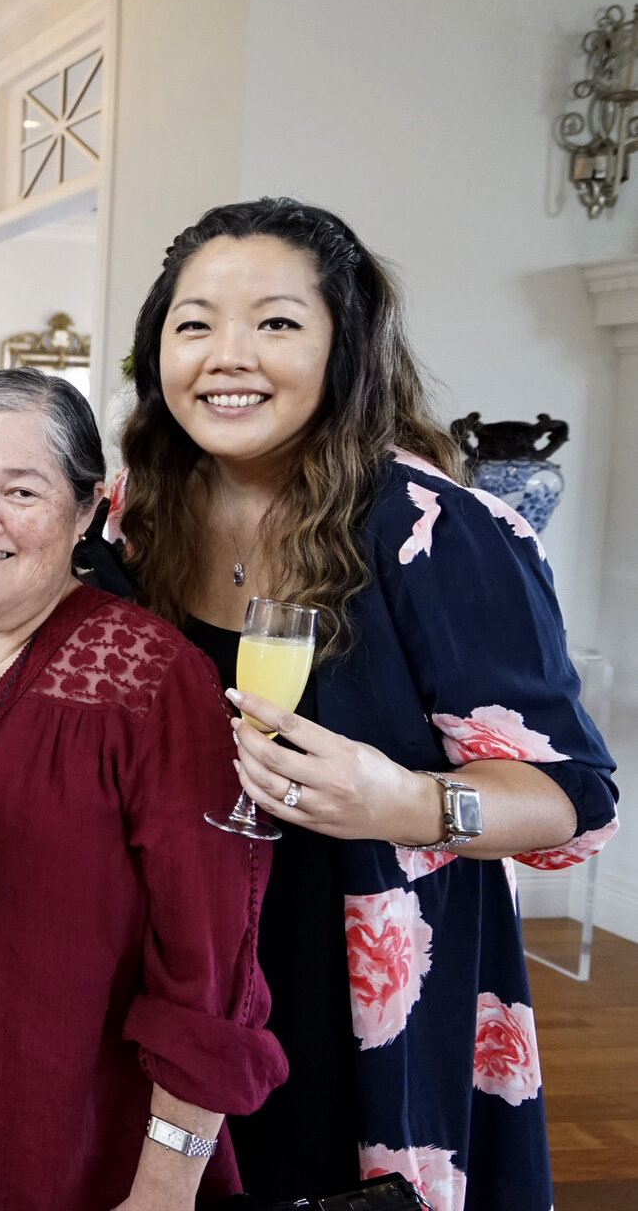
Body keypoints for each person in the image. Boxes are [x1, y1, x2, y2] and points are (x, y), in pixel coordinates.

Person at [106, 197, 619, 1210]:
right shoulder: (135, 520)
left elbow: (575, 800)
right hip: (176, 981)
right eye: (194, 322)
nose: (227, 355)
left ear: (347, 348)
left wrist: (410, 803)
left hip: (352, 996)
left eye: (278, 323)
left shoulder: (439, 533)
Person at [0, 369, 285, 1211]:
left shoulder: (152, 679)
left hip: (69, 1156)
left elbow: (211, 966)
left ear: (87, 511)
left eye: (20, 491)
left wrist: (165, 1187)